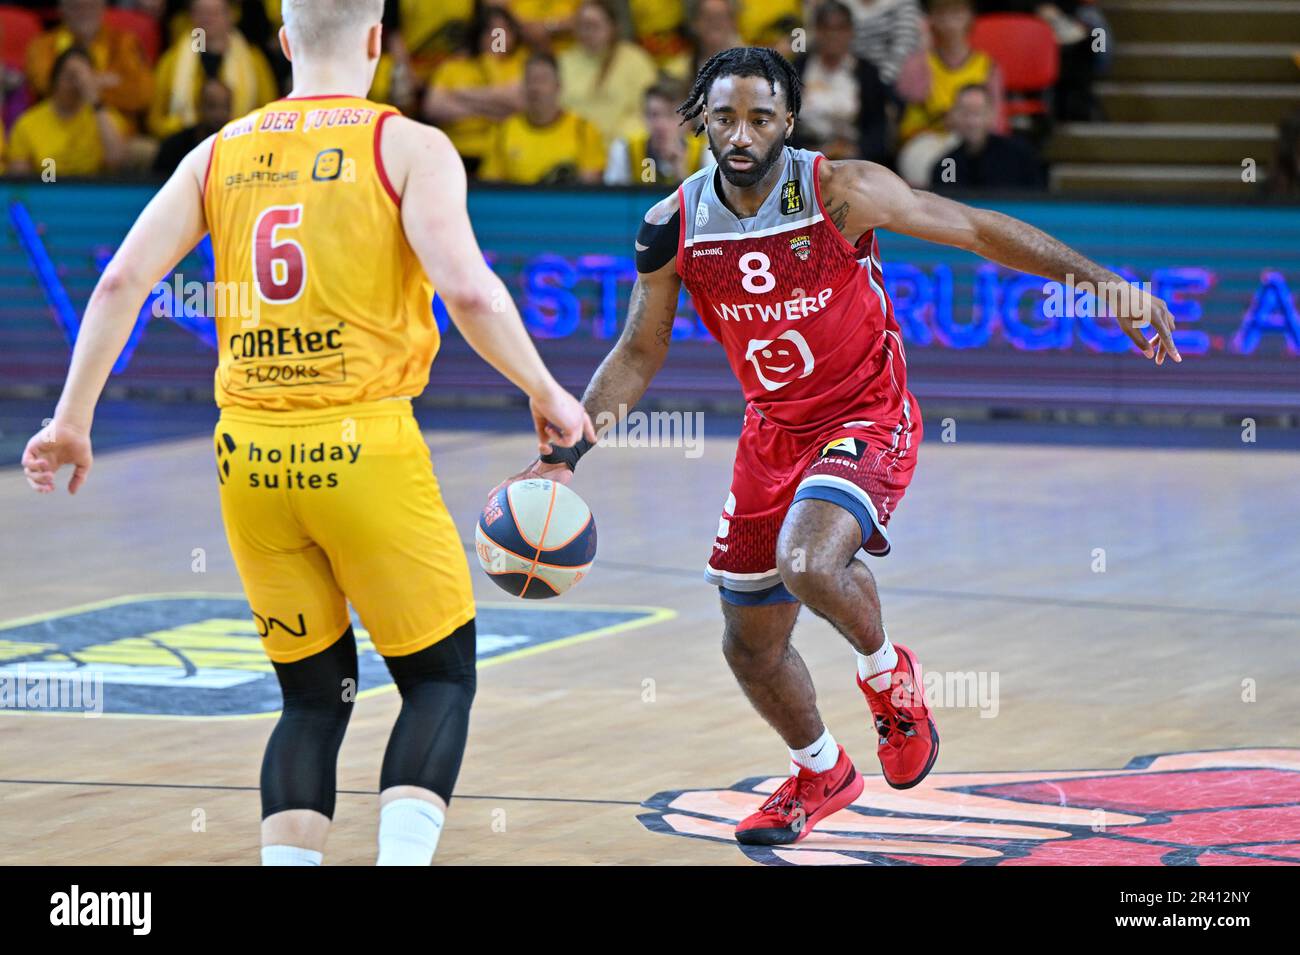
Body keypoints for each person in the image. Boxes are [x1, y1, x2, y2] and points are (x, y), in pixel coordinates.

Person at [504, 47, 1179, 846]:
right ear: (703, 122)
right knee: (749, 646)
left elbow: (975, 229)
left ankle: (887, 675)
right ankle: (820, 768)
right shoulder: (673, 225)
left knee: (810, 560)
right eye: (724, 118)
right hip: (771, 431)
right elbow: (640, 350)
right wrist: (568, 450)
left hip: (867, 408)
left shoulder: (839, 191)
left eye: (760, 117)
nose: (741, 134)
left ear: (787, 120)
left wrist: (1104, 283)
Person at [22, 0, 592, 866]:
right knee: (438, 679)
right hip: (365, 450)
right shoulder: (409, 145)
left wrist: (71, 418)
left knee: (312, 700)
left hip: (246, 455)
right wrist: (545, 388)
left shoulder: (216, 153)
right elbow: (472, 292)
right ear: (375, 40)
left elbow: (116, 284)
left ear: (285, 44)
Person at [423, 2, 528, 177]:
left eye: (502, 32)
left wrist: (461, 95)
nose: (497, 39)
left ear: (514, 34)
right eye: (492, 32)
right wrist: (494, 107)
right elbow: (433, 107)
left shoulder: (521, 65)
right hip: (455, 151)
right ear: (478, 33)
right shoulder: (453, 67)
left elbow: (518, 104)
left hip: (503, 154)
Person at [148, 0, 278, 139]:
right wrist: (186, 128)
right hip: (186, 143)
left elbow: (268, 112)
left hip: (240, 141)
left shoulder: (253, 61)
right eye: (201, 12)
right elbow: (155, 120)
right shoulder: (172, 60)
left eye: (214, 13)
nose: (207, 19)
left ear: (231, 15)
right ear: (191, 16)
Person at [479, 52, 605, 184]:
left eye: (543, 80)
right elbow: (491, 186)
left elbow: (591, 189)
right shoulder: (503, 130)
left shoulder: (583, 129)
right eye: (530, 80)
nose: (535, 87)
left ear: (558, 86)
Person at [25, 0, 154, 128]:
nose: (84, 13)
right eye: (76, 7)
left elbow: (142, 93)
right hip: (58, 128)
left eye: (90, 6)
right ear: (61, 10)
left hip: (117, 132)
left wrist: (77, 83)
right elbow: (45, 85)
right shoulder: (43, 45)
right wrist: (102, 81)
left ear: (103, 8)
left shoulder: (123, 42)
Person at [793, 0, 891, 165]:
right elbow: (783, 123)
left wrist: (857, 150)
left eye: (840, 28)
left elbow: (878, 128)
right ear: (816, 31)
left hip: (854, 157)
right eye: (826, 28)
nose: (833, 35)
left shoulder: (867, 73)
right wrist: (811, 151)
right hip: (804, 157)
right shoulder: (797, 69)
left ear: (851, 32)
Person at [8, 46, 129, 176]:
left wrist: (96, 102)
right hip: (49, 190)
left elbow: (118, 162)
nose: (78, 84)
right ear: (55, 79)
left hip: (92, 191)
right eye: (71, 77)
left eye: (85, 78)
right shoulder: (27, 124)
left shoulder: (107, 118)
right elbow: (19, 183)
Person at [558, 0, 659, 145]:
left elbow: (648, 111)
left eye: (594, 26)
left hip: (622, 147)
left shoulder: (636, 60)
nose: (588, 32)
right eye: (582, 26)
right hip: (574, 148)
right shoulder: (563, 62)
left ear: (612, 27)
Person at [930, 83, 1042, 190]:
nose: (972, 122)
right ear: (953, 116)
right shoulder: (947, 165)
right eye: (965, 113)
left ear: (991, 114)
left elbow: (1038, 199)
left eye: (978, 113)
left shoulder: (1020, 156)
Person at [606, 81, 711, 186]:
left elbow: (708, 200)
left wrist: (680, 170)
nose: (661, 124)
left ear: (687, 121)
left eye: (670, 115)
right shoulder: (625, 149)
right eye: (654, 115)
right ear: (643, 117)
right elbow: (613, 200)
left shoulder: (704, 151)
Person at [152, 76, 231, 176]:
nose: (220, 114)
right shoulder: (173, 147)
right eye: (212, 106)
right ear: (199, 107)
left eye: (226, 107)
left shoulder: (236, 148)